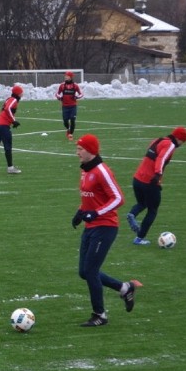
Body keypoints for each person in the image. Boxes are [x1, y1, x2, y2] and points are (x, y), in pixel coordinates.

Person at [71, 134, 137, 327]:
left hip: (105, 226)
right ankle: (124, 288)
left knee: (91, 271)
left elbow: (118, 198)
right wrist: (80, 212)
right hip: (91, 226)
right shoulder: (85, 170)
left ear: (91, 150)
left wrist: (96, 213)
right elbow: (89, 197)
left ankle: (100, 315)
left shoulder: (102, 171)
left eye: (80, 149)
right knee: (84, 272)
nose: (77, 153)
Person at [127, 127, 186, 245]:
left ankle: (132, 213)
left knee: (142, 203)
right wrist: (157, 175)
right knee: (152, 210)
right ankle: (139, 238)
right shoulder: (170, 145)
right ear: (179, 139)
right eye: (183, 141)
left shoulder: (158, 140)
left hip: (137, 179)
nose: (181, 144)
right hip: (150, 182)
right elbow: (161, 159)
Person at [55, 71, 83, 141]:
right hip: (65, 106)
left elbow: (81, 94)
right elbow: (57, 94)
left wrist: (76, 97)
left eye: (67, 76)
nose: (65, 77)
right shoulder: (62, 85)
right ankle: (68, 129)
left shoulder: (75, 86)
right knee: (65, 121)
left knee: (73, 119)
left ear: (70, 77)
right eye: (65, 76)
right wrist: (59, 97)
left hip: (73, 106)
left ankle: (70, 134)